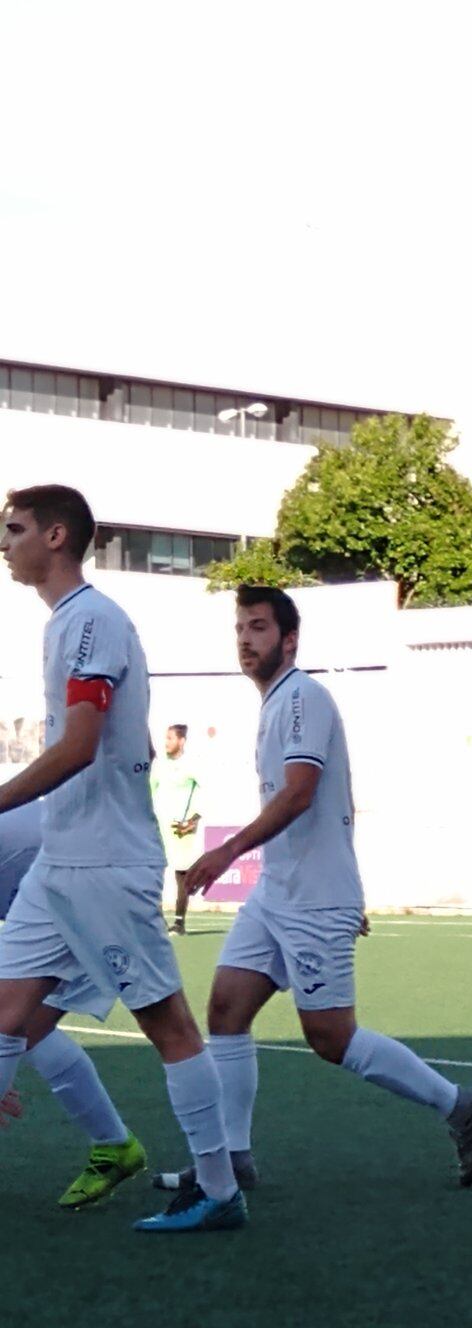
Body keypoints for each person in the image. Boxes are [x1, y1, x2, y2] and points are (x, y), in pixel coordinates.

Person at [176, 586, 472, 1192]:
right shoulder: (274, 703)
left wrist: (227, 851)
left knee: (329, 1037)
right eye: (241, 627)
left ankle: (460, 1105)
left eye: (260, 628)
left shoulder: (301, 697)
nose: (246, 638)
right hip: (280, 893)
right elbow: (334, 800)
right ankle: (235, 1159)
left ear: (289, 640)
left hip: (313, 900)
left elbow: (300, 793)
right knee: (226, 1009)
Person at [0, 484, 242, 1233]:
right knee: (5, 1014)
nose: (4, 542)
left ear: (57, 536)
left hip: (102, 866)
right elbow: (115, 744)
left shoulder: (91, 620)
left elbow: (78, 747)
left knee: (167, 1025)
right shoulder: (67, 624)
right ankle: (127, 1151)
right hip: (63, 861)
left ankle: (218, 1189)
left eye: (14, 529)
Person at [0, 798, 150, 1205]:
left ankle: (219, 1172)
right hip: (93, 876)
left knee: (12, 1022)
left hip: (92, 884)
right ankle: (115, 1144)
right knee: (25, 1027)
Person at [152, 723, 202, 934]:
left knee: (182, 875)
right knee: (154, 873)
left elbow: (204, 793)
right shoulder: (159, 765)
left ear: (181, 741)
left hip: (180, 829)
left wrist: (193, 819)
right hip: (158, 827)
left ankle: (179, 922)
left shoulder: (192, 765)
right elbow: (149, 790)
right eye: (166, 738)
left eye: (170, 738)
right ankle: (157, 921)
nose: (166, 742)